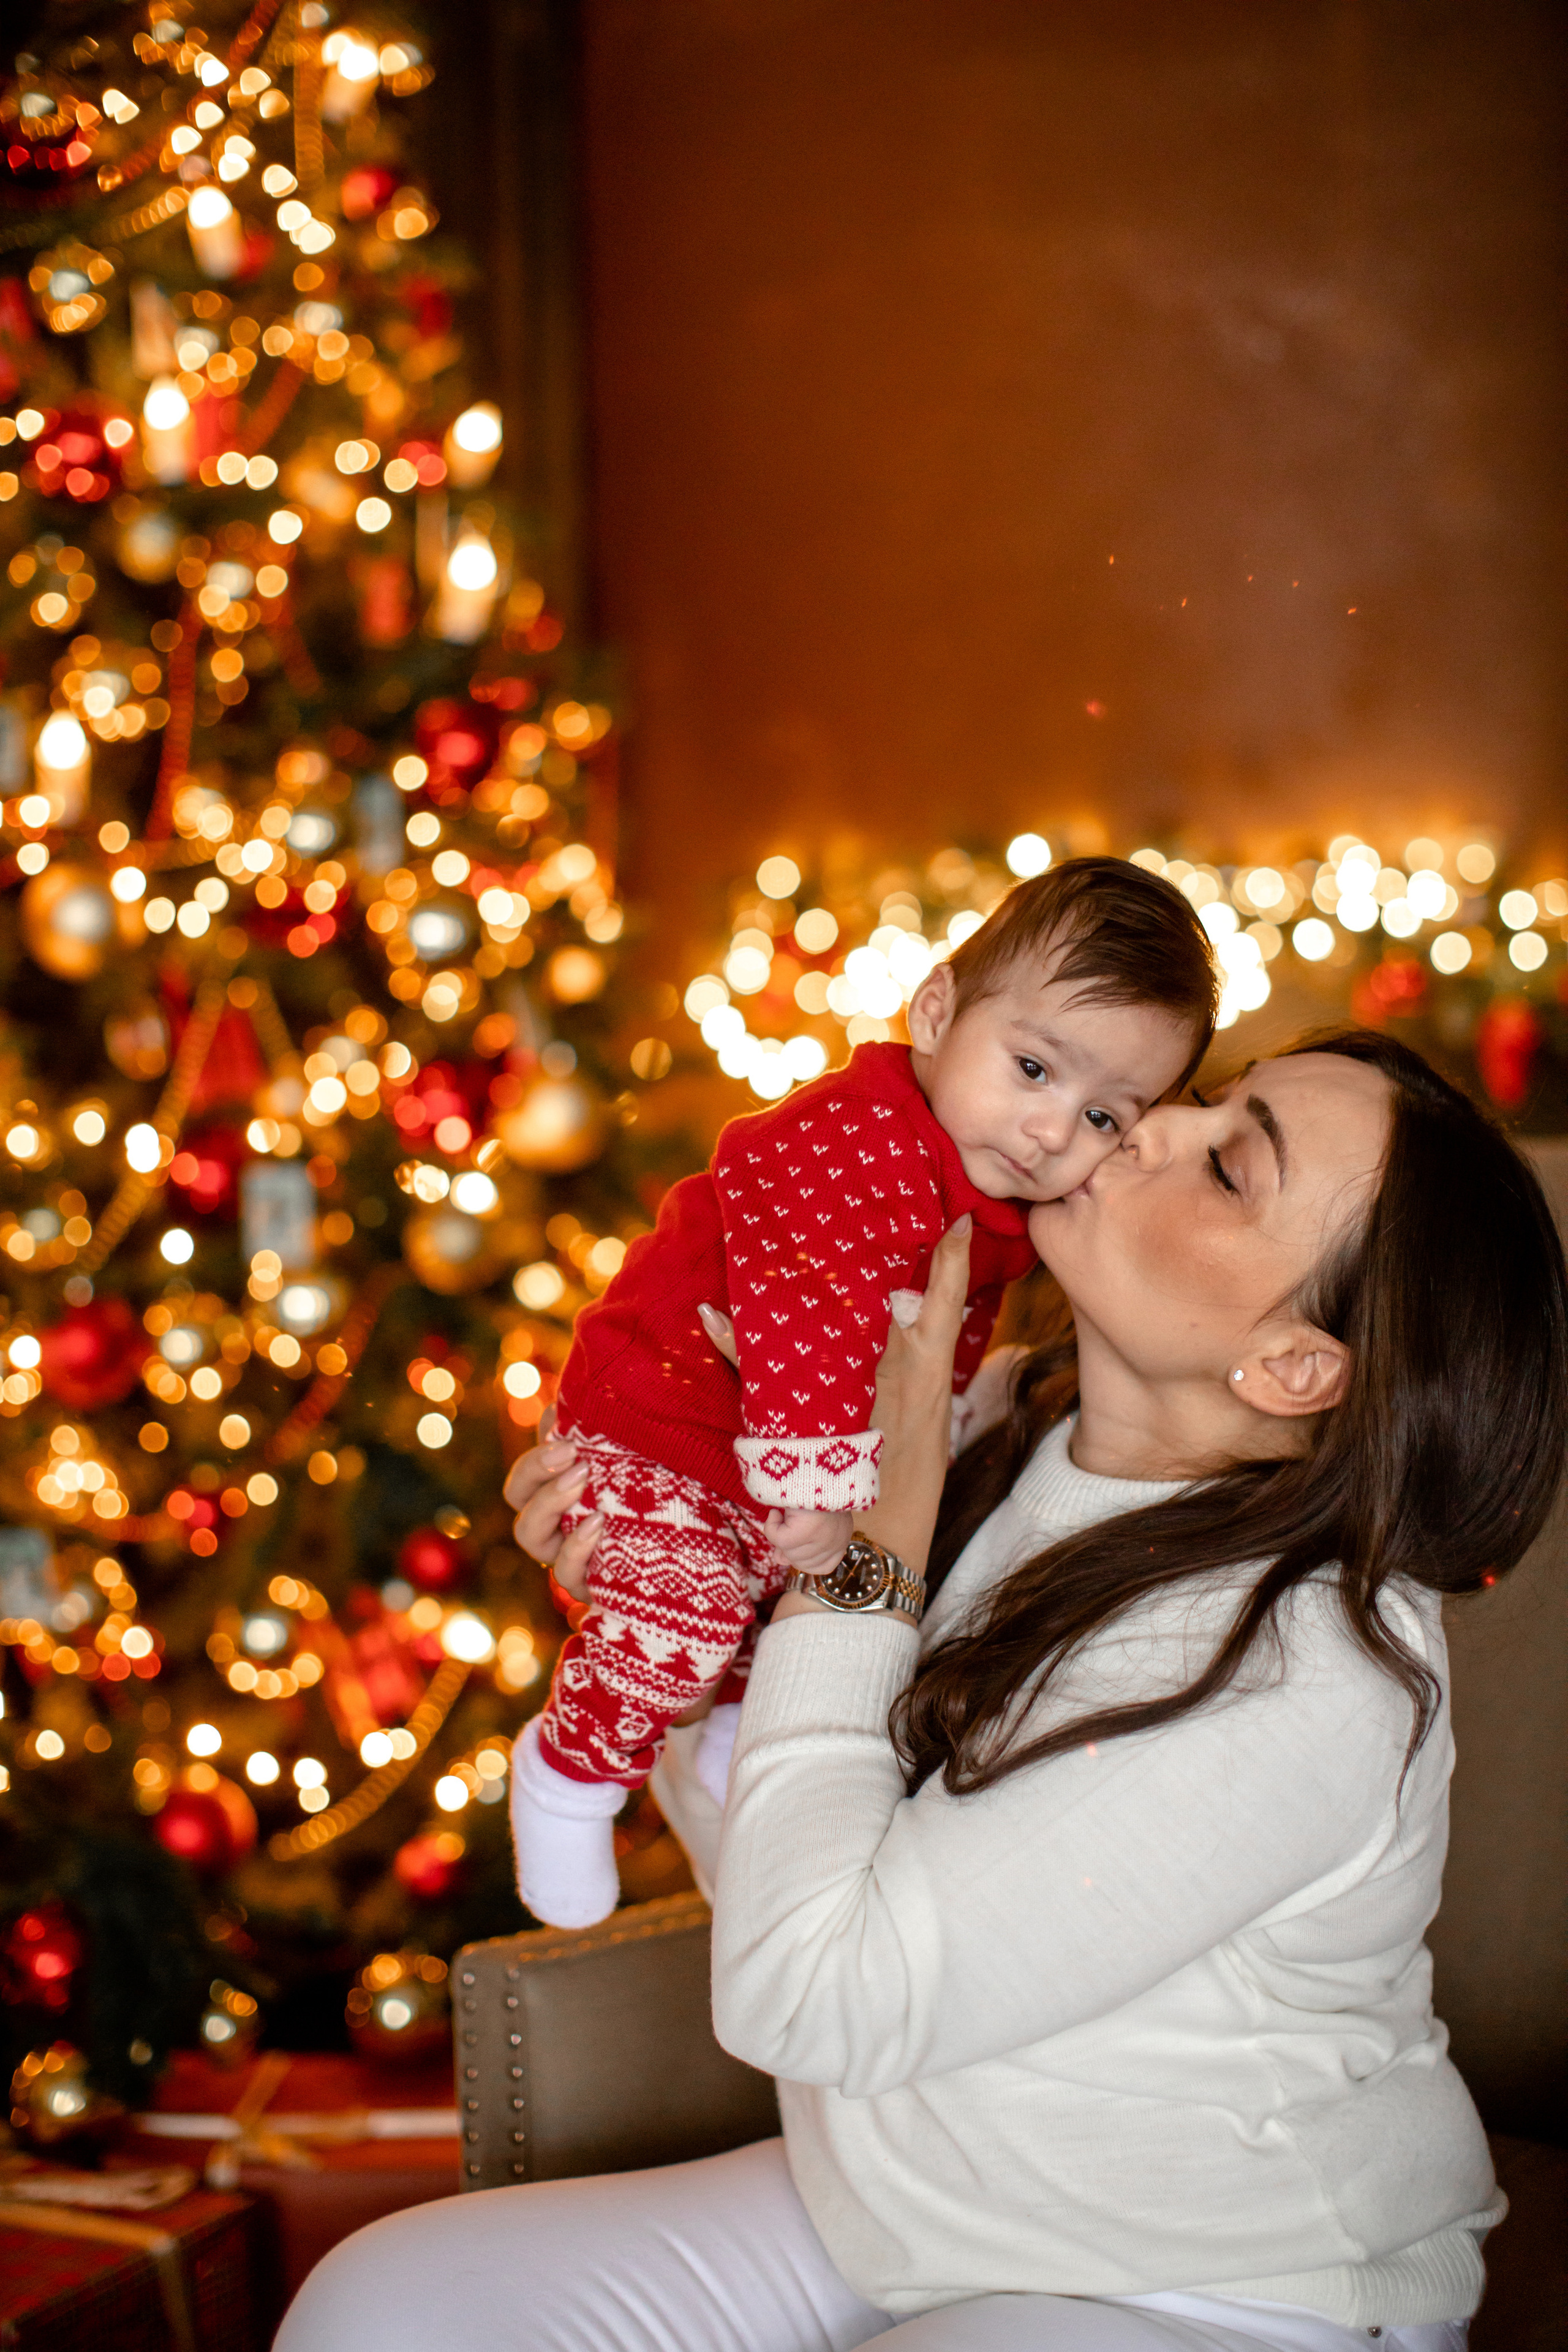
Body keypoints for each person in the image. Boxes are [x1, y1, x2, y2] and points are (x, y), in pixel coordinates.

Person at [276, 1030, 1566, 2352]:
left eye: (1229, 1166)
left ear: (1293, 1366)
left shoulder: (1312, 1680)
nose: (1153, 1125)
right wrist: (665, 1607)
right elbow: (784, 1877)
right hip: (898, 2209)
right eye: (1205, 1099)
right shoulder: (989, 1422)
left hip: (1210, 2287)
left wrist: (869, 1562)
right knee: (383, 2310)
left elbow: (807, 1994)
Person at [511, 859, 1216, 1928]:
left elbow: (915, 1365)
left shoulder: (978, 1198)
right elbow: (810, 1318)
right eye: (1031, 1067)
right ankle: (566, 1776)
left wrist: (871, 1468)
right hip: (662, 1418)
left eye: (1107, 1117)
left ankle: (723, 1732)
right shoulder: (861, 1142)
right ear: (935, 1012)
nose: (1052, 1132)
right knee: (693, 1609)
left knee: (731, 1611)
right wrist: (825, 1485)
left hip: (747, 1464)